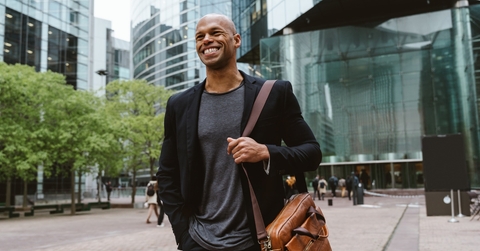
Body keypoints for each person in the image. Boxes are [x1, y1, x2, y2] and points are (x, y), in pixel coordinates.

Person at [157, 13, 322, 251]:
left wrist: (266, 152)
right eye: (200, 36)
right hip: (198, 241)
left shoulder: (274, 93)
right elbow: (167, 173)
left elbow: (312, 153)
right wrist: (184, 233)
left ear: (236, 40)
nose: (206, 40)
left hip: (260, 239)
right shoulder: (179, 105)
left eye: (216, 33)